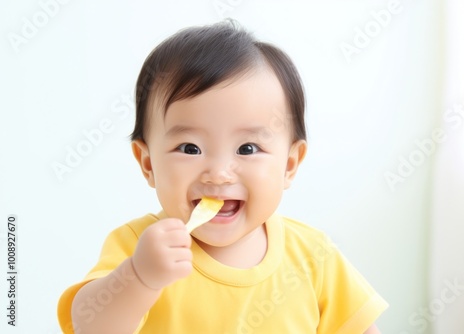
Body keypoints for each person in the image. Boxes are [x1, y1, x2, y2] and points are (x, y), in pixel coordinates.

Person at [58, 20, 388, 334]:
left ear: (289, 164)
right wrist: (139, 277)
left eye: (247, 148)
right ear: (148, 164)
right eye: (189, 148)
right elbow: (89, 325)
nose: (218, 173)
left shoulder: (314, 255)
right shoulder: (138, 246)